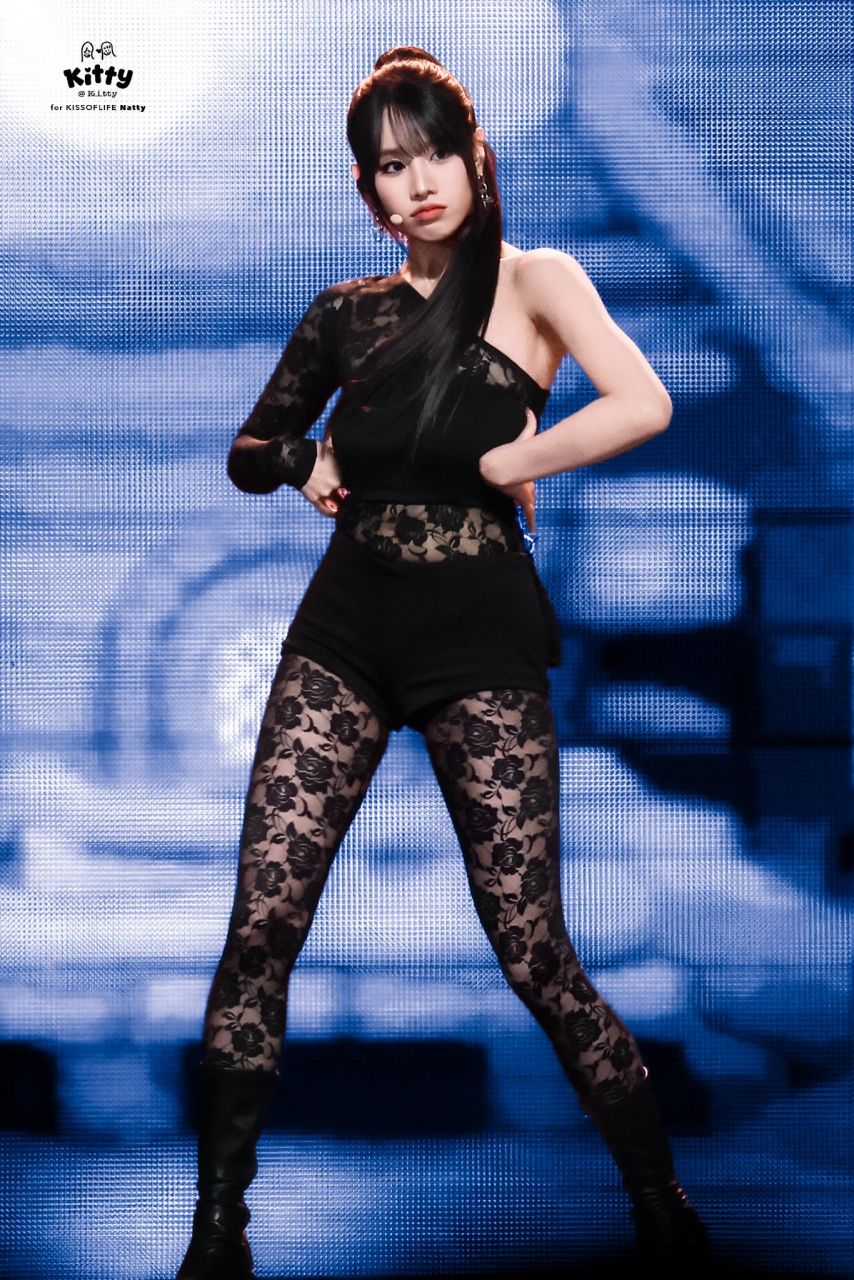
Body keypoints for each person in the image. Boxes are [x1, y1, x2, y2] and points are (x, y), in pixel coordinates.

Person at [176, 46, 715, 1280]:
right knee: (261, 922)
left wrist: (515, 460)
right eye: (386, 166)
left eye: (430, 156)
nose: (413, 184)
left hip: (478, 637)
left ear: (474, 159)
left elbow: (642, 401)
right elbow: (251, 446)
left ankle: (660, 1205)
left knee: (531, 948)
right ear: (366, 189)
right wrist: (302, 460)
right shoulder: (344, 311)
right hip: (345, 631)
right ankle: (217, 1227)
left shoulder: (535, 280)